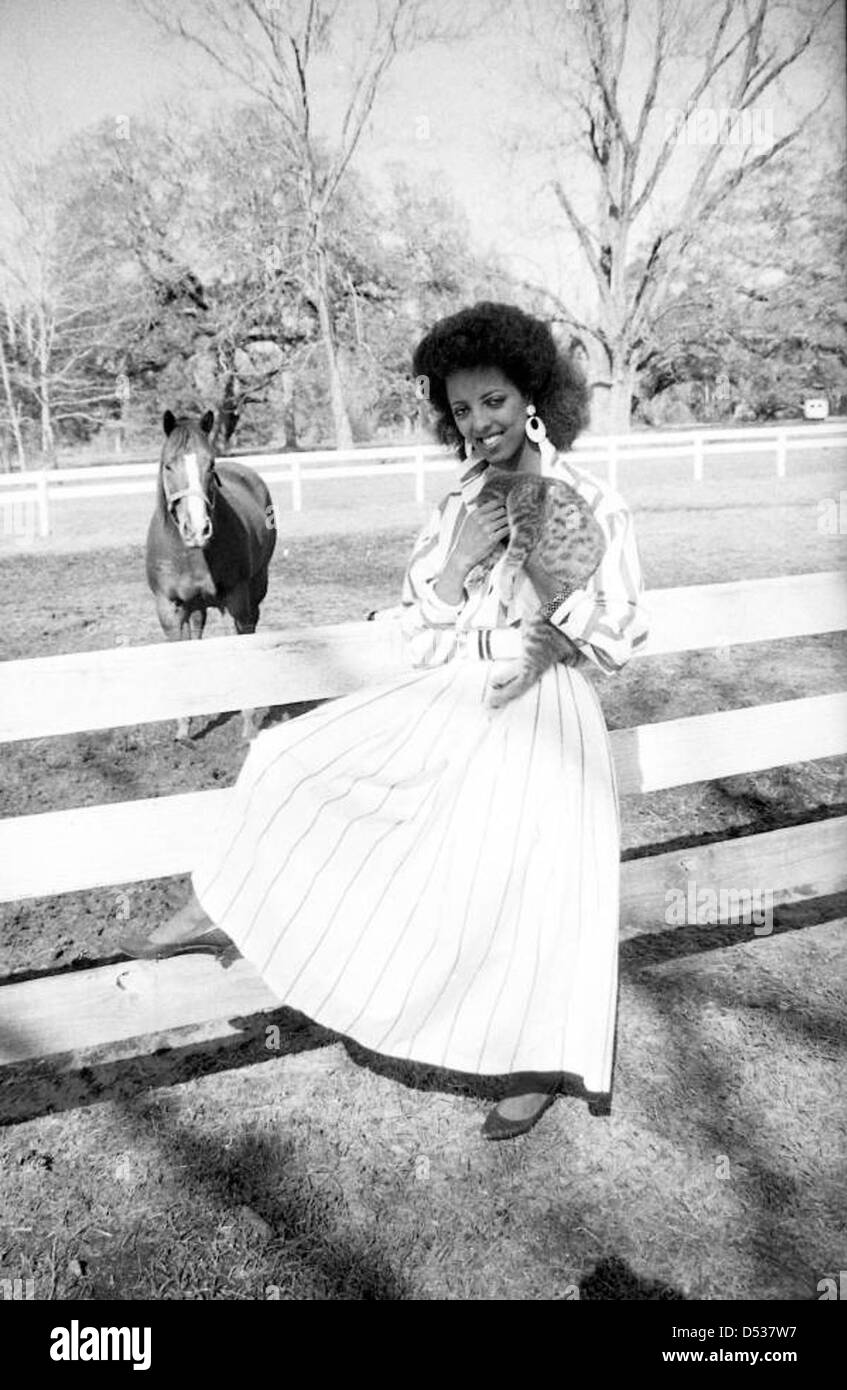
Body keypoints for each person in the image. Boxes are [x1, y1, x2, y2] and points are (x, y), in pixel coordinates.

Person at [121, 302, 648, 1140]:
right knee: (292, 756)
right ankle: (227, 893)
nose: (479, 424)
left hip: (542, 701)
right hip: (456, 685)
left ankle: (535, 1058)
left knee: (521, 883)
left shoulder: (586, 498)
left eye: (495, 403)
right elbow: (414, 628)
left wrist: (548, 572)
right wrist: (456, 568)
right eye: (462, 409)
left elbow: (619, 635)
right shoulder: (456, 505)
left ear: (534, 397)